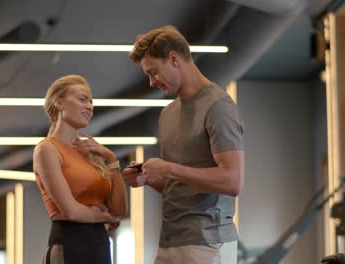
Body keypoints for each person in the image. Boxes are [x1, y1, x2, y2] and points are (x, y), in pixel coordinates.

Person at [122, 25, 245, 264]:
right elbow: (181, 185)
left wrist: (167, 169)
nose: (151, 82)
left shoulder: (218, 106)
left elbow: (233, 181)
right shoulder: (167, 114)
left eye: (154, 72)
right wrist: (149, 177)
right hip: (170, 240)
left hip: (208, 243)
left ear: (174, 58)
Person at [33, 74, 127, 264]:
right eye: (82, 99)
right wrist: (105, 217)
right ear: (59, 103)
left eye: (91, 102)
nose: (90, 107)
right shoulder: (47, 149)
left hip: (99, 242)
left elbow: (119, 210)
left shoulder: (89, 152)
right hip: (69, 242)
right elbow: (71, 211)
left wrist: (111, 159)